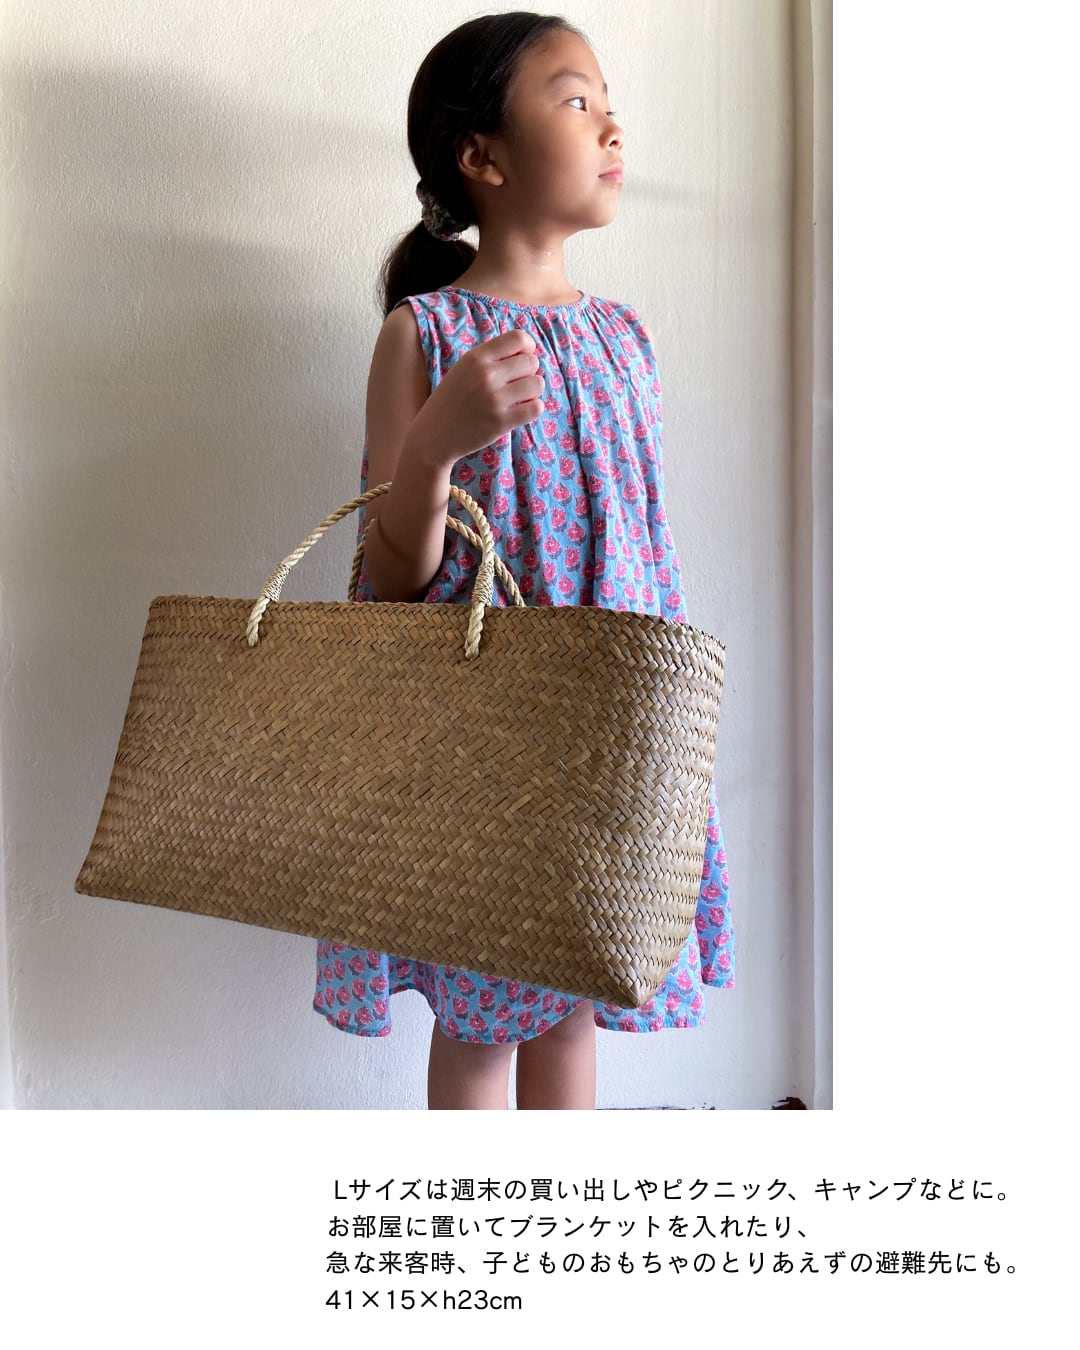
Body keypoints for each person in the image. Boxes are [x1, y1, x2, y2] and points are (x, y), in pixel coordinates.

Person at [313, 10, 733, 1109]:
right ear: (482, 156)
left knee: (576, 1002)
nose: (611, 126)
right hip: (486, 736)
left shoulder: (627, 337)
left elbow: (641, 550)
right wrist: (435, 444)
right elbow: (388, 582)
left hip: (613, 725)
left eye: (608, 102)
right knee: (481, 1015)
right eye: (577, 100)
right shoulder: (424, 334)